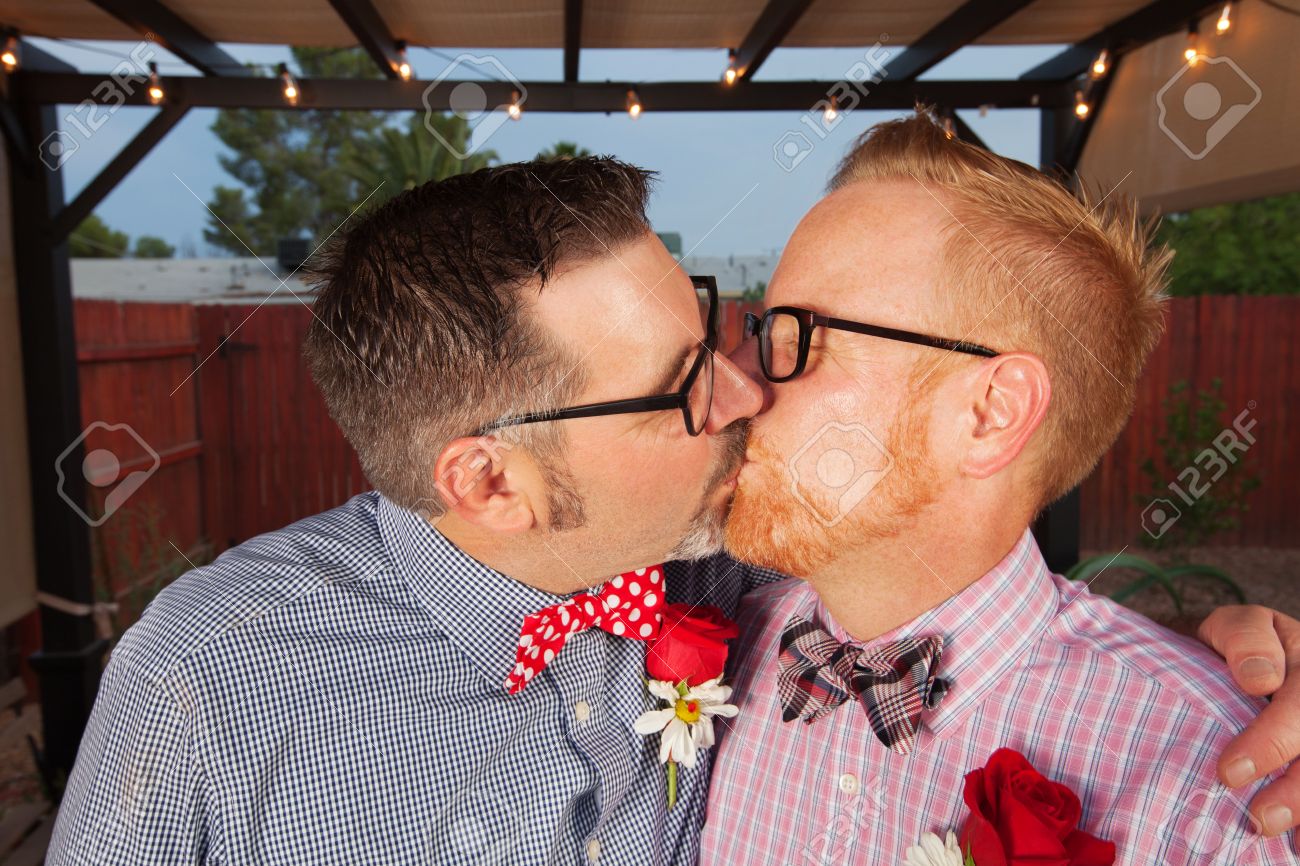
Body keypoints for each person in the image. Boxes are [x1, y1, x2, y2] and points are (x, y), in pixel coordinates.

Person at [45, 156, 1300, 866]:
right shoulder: (208, 672)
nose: (744, 389)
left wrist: (1244, 654)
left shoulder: (738, 595)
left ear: (990, 410)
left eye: (774, 336)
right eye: (689, 377)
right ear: (488, 482)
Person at [700, 112, 1298, 864]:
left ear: (992, 413)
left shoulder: (1209, 785)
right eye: (761, 332)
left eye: (800, 341)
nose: (735, 386)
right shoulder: (702, 637)